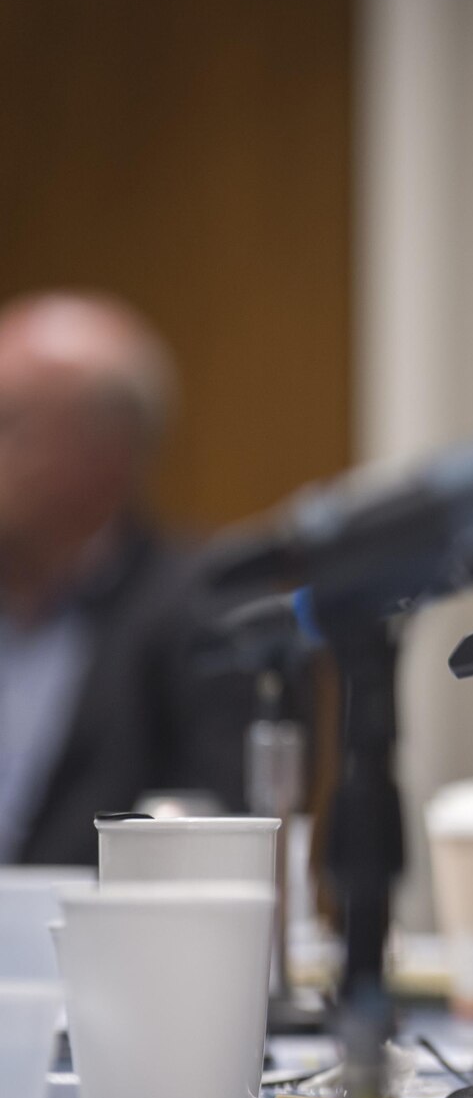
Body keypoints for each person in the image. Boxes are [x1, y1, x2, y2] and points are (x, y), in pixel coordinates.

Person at [0, 291, 248, 864]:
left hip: (99, 945)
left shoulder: (211, 609)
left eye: (9, 422)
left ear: (105, 451)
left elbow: (218, 839)